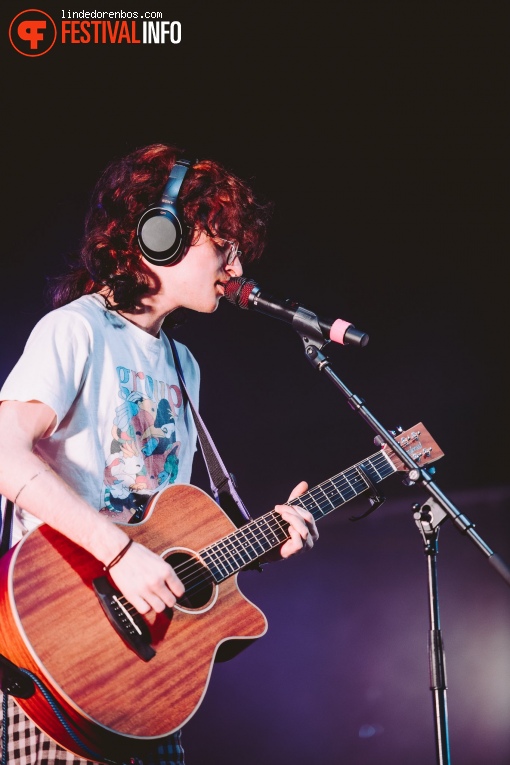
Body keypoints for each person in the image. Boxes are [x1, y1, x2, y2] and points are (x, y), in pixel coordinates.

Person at [0, 143, 319, 765]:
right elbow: (5, 455)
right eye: (221, 241)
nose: (235, 261)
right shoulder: (76, 329)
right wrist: (119, 552)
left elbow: (166, 527)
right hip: (57, 647)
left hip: (144, 675)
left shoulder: (184, 366)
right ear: (159, 235)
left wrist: (256, 545)